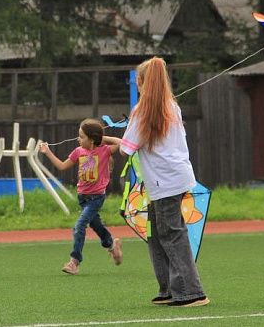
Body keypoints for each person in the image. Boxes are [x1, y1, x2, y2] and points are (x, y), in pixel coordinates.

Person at [119, 57, 209, 307]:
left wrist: (114, 141)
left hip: (163, 181)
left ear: (140, 82)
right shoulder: (171, 105)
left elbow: (127, 149)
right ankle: (169, 288)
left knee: (170, 234)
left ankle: (192, 291)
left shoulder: (143, 109)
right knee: (158, 234)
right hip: (174, 177)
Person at [39, 118, 124, 275]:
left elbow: (122, 143)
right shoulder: (79, 151)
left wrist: (102, 138)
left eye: (82, 136)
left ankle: (74, 261)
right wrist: (47, 152)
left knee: (79, 226)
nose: (78, 139)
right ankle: (113, 245)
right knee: (97, 226)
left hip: (96, 198)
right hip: (83, 198)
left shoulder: (104, 150)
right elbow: (62, 166)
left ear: (91, 139)